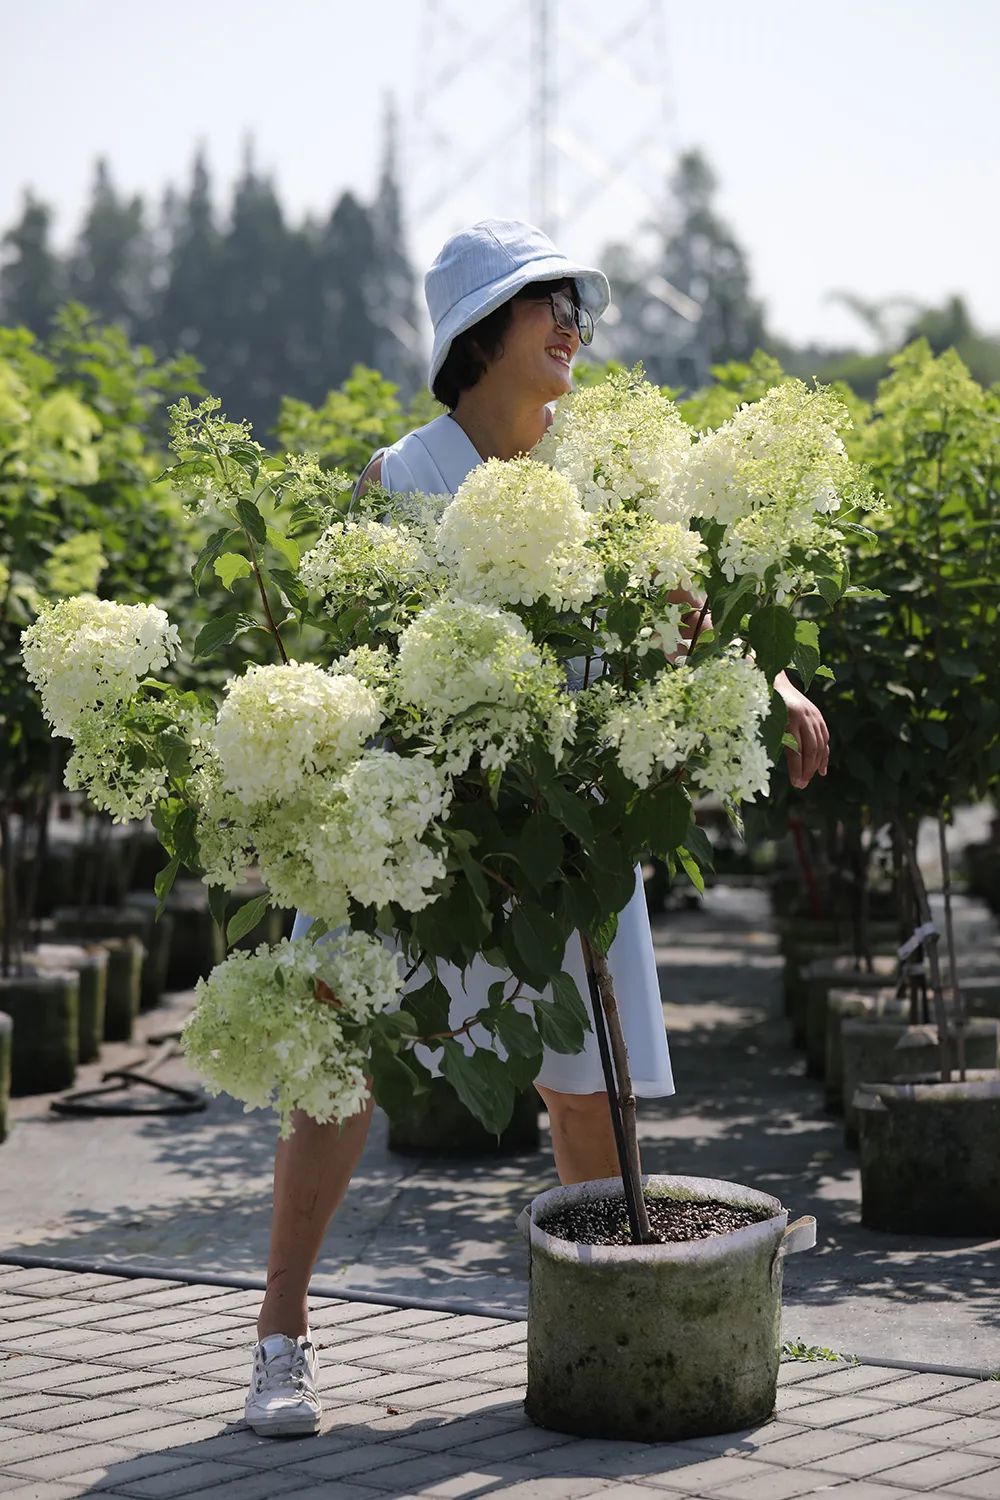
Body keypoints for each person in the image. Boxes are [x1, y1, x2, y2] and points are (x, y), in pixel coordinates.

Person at [244, 219, 830, 1437]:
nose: (572, 322)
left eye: (575, 302)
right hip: (423, 831)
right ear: (477, 334)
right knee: (337, 1069)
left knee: (584, 1081)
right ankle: (281, 1338)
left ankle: (601, 1325)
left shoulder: (603, 473)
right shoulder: (398, 479)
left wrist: (771, 688)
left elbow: (689, 615)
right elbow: (348, 673)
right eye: (542, 302)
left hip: (571, 828)